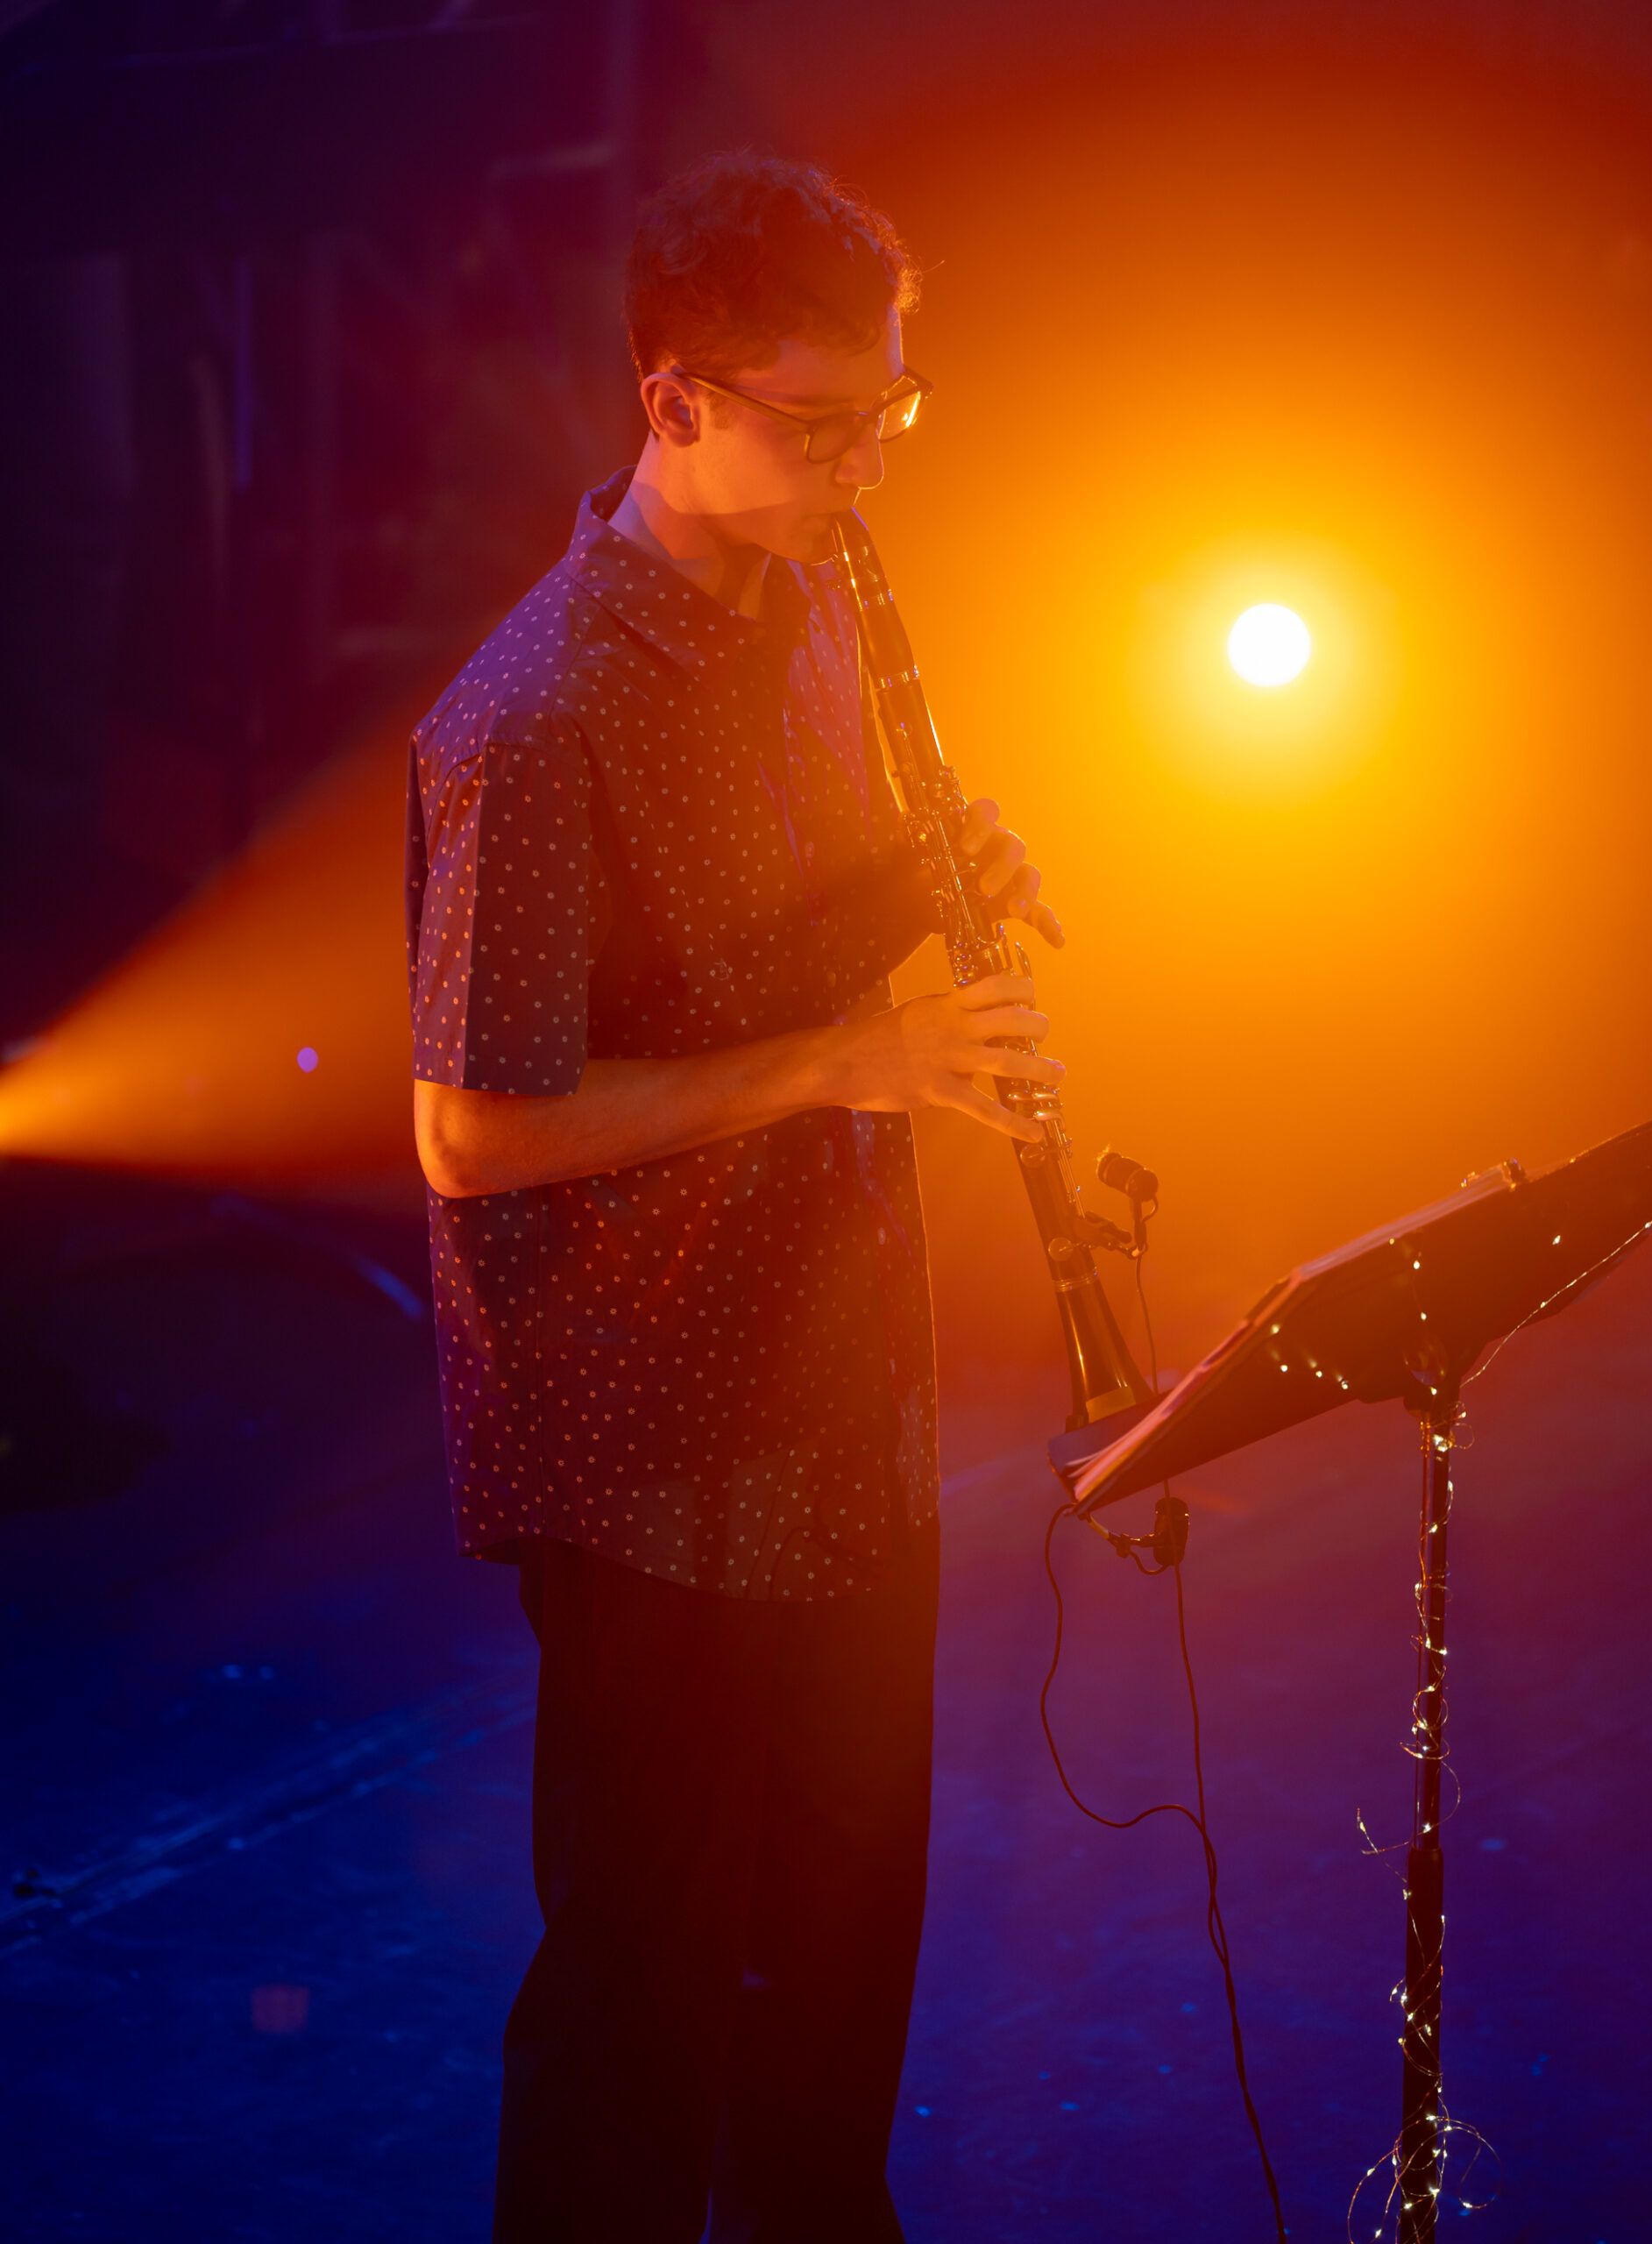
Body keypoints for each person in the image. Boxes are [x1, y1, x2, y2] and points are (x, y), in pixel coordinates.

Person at [406, 152, 1064, 2243]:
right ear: (673, 401)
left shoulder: (814, 599)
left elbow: (757, 951)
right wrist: (853, 1061)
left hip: (839, 1387)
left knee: (844, 1953)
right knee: (643, 1989)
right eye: (827, 423)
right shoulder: (534, 715)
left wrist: (925, 888)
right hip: (653, 1442)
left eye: (894, 412)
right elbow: (469, 1130)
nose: (870, 467)